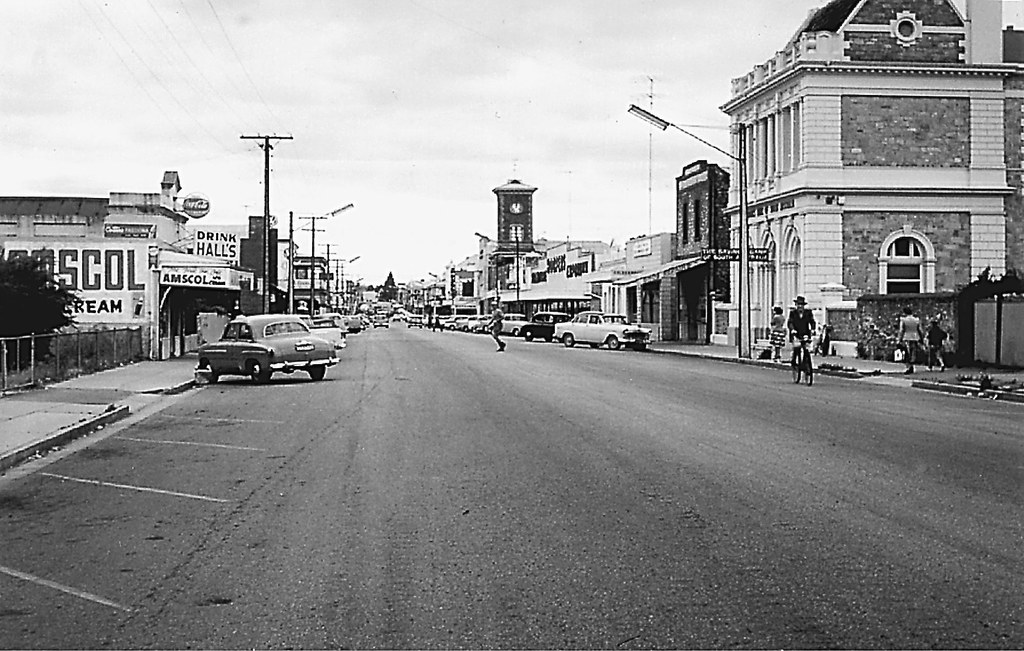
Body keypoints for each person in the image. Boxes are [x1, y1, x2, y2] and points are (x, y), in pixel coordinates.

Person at [786, 295, 817, 367]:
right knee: (797, 348)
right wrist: (792, 329)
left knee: (806, 348)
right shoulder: (793, 313)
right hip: (796, 333)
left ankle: (805, 363)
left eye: (801, 305)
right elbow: (790, 322)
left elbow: (812, 321)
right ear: (796, 305)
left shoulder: (808, 312)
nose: (800, 306)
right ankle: (794, 361)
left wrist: (813, 329)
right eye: (798, 304)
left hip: (805, 333)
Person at [897, 306, 923, 374]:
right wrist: (921, 338)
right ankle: (912, 365)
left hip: (907, 337)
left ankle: (909, 367)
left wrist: (899, 339)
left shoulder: (903, 319)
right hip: (915, 337)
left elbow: (901, 330)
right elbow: (920, 330)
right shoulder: (916, 319)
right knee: (913, 352)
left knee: (907, 353)